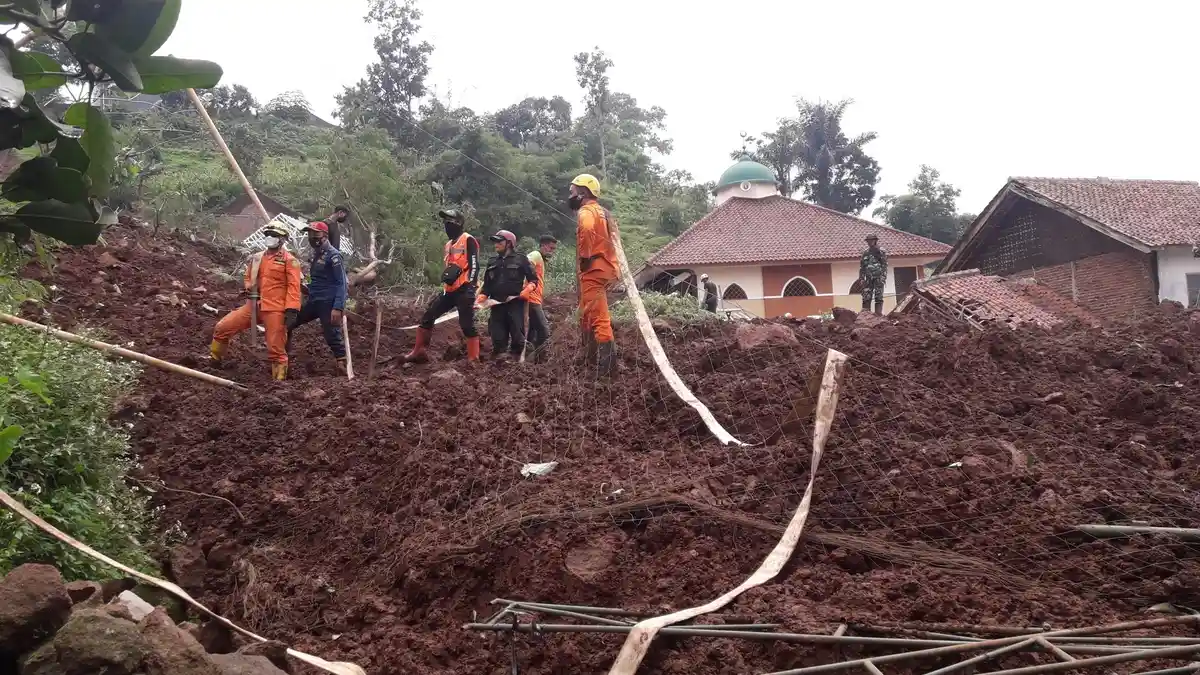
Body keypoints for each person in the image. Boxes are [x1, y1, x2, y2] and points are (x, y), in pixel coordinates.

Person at [210, 222, 302, 380]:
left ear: (282, 239)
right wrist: (249, 288)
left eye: (274, 235)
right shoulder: (257, 258)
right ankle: (214, 362)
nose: (270, 238)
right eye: (268, 235)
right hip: (254, 305)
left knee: (276, 349)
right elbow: (248, 277)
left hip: (275, 309)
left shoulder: (290, 261)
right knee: (222, 327)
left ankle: (278, 383)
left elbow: (294, 287)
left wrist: (292, 309)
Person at [403, 209, 480, 363]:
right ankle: (418, 351)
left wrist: (471, 286)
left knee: (467, 325)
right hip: (449, 290)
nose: (446, 225)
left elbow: (474, 265)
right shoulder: (448, 244)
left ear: (458, 223)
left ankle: (473, 359)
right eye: (445, 222)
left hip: (464, 289)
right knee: (428, 316)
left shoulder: (468, 239)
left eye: (449, 222)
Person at [570, 174, 619, 376]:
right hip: (606, 268)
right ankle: (590, 358)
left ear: (583, 193)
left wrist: (585, 256)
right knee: (588, 314)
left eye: (572, 192)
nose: (570, 196)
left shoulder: (586, 211)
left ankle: (608, 370)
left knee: (599, 318)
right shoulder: (603, 212)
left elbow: (588, 229)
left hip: (594, 270)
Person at [286, 222, 348, 373]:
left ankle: (342, 363)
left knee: (331, 333)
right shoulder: (316, 253)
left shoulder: (334, 256)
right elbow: (319, 279)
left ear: (325, 236)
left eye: (316, 234)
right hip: (313, 300)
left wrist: (338, 307)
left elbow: (342, 283)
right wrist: (306, 288)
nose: (312, 237)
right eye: (310, 234)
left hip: (328, 302)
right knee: (289, 322)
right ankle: (283, 357)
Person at [476, 230, 539, 360]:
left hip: (515, 304)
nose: (496, 245)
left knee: (517, 335)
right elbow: (487, 285)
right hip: (496, 305)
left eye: (499, 242)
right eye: (495, 242)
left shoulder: (521, 259)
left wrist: (528, 289)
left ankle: (516, 361)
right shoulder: (492, 261)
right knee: (497, 335)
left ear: (509, 243)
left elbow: (533, 280)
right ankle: (499, 361)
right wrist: (483, 295)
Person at [522, 234, 557, 362]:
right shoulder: (536, 255)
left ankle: (527, 358)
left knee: (532, 331)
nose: (552, 252)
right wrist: (530, 282)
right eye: (551, 248)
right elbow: (527, 261)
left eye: (554, 249)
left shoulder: (541, 259)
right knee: (544, 330)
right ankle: (538, 359)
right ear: (543, 245)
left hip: (533, 299)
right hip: (531, 299)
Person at [859, 233, 888, 315]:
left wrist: (883, 277)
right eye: (868, 241)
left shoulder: (881, 251)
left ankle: (878, 314)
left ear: (875, 241)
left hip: (878, 277)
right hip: (868, 278)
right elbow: (862, 267)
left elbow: (885, 265)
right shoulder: (865, 253)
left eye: (871, 240)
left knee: (878, 297)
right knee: (866, 296)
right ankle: (866, 315)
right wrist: (861, 278)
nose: (869, 242)